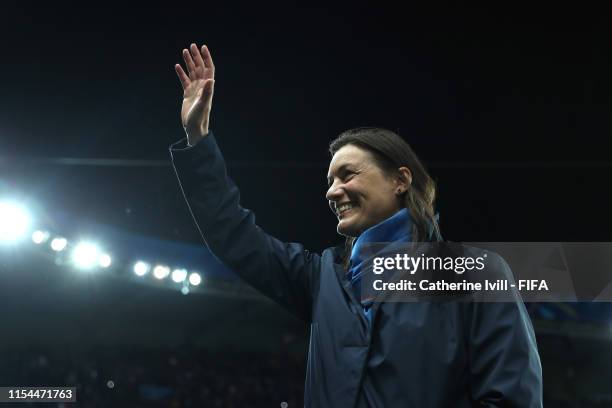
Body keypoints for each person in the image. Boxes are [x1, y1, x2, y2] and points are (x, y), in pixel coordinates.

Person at [169, 43, 543, 407]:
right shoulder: (323, 279)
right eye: (329, 182)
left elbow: (511, 397)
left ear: (400, 180)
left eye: (347, 175)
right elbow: (232, 234)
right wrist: (198, 139)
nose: (333, 192)